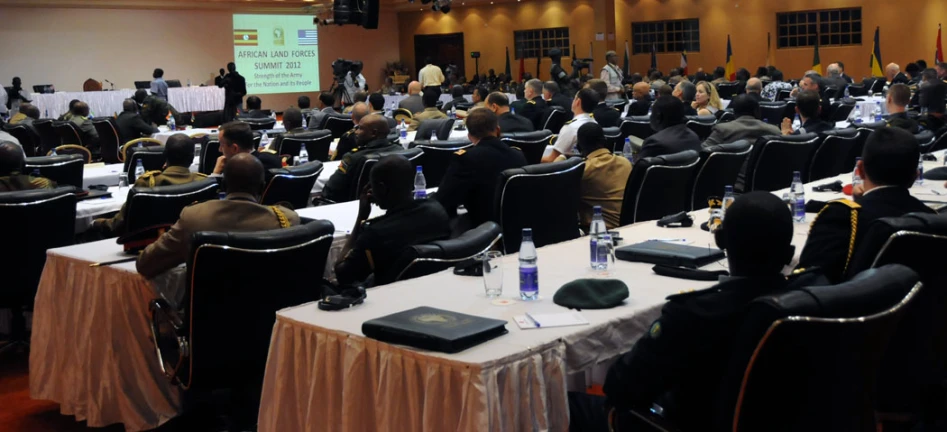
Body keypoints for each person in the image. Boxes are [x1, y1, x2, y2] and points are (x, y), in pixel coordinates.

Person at [568, 191, 794, 432]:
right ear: (789, 254)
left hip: (679, 423)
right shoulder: (808, 301)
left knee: (566, 406)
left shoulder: (694, 314)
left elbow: (620, 387)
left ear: (720, 240)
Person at [797, 128, 934, 283]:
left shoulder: (842, 217)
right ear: (915, 176)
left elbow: (806, 285)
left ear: (860, 170)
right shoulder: (930, 219)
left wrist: (859, 205)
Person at [137, 153, 300, 279]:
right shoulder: (286, 220)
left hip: (207, 317)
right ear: (262, 187)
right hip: (272, 316)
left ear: (222, 185)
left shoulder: (194, 217)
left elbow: (145, 264)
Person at [335, 155, 451, 286]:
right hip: (433, 284)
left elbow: (342, 274)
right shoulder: (437, 210)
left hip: (386, 294)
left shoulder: (375, 233)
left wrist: (360, 218)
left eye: (372, 186)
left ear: (382, 188)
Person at [92, 135, 207, 236]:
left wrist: (96, 223)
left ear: (165, 155)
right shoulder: (204, 183)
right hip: (191, 244)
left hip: (148, 245)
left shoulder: (148, 183)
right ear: (192, 158)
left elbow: (119, 225)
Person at [435, 108, 527, 227]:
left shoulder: (465, 159)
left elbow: (444, 199)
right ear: (498, 130)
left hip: (482, 230)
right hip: (516, 224)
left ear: (469, 136)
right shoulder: (518, 155)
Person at [323, 114, 401, 202]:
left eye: (360, 128)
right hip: (394, 204)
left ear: (373, 133)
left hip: (356, 207)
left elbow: (331, 189)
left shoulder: (353, 157)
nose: (356, 132)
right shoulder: (401, 151)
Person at [576, 123, 631, 231]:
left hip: (598, 231)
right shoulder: (626, 163)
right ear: (604, 140)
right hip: (629, 227)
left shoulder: (584, 170)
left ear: (579, 146)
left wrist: (562, 157)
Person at [637, 96, 701, 161]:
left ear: (658, 117)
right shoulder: (694, 137)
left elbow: (638, 170)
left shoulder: (654, 142)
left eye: (652, 113)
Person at [543, 88, 598, 163]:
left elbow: (551, 159)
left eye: (574, 98)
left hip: (567, 169)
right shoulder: (595, 124)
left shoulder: (571, 127)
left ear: (578, 102)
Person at [703, 95, 780, 147]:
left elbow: (703, 151)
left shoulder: (722, 129)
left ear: (734, 112)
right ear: (757, 111)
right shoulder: (774, 131)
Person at [213, 121, 281, 176]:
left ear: (234, 148)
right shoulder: (273, 159)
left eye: (222, 145)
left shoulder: (238, 171)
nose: (220, 149)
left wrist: (216, 173)